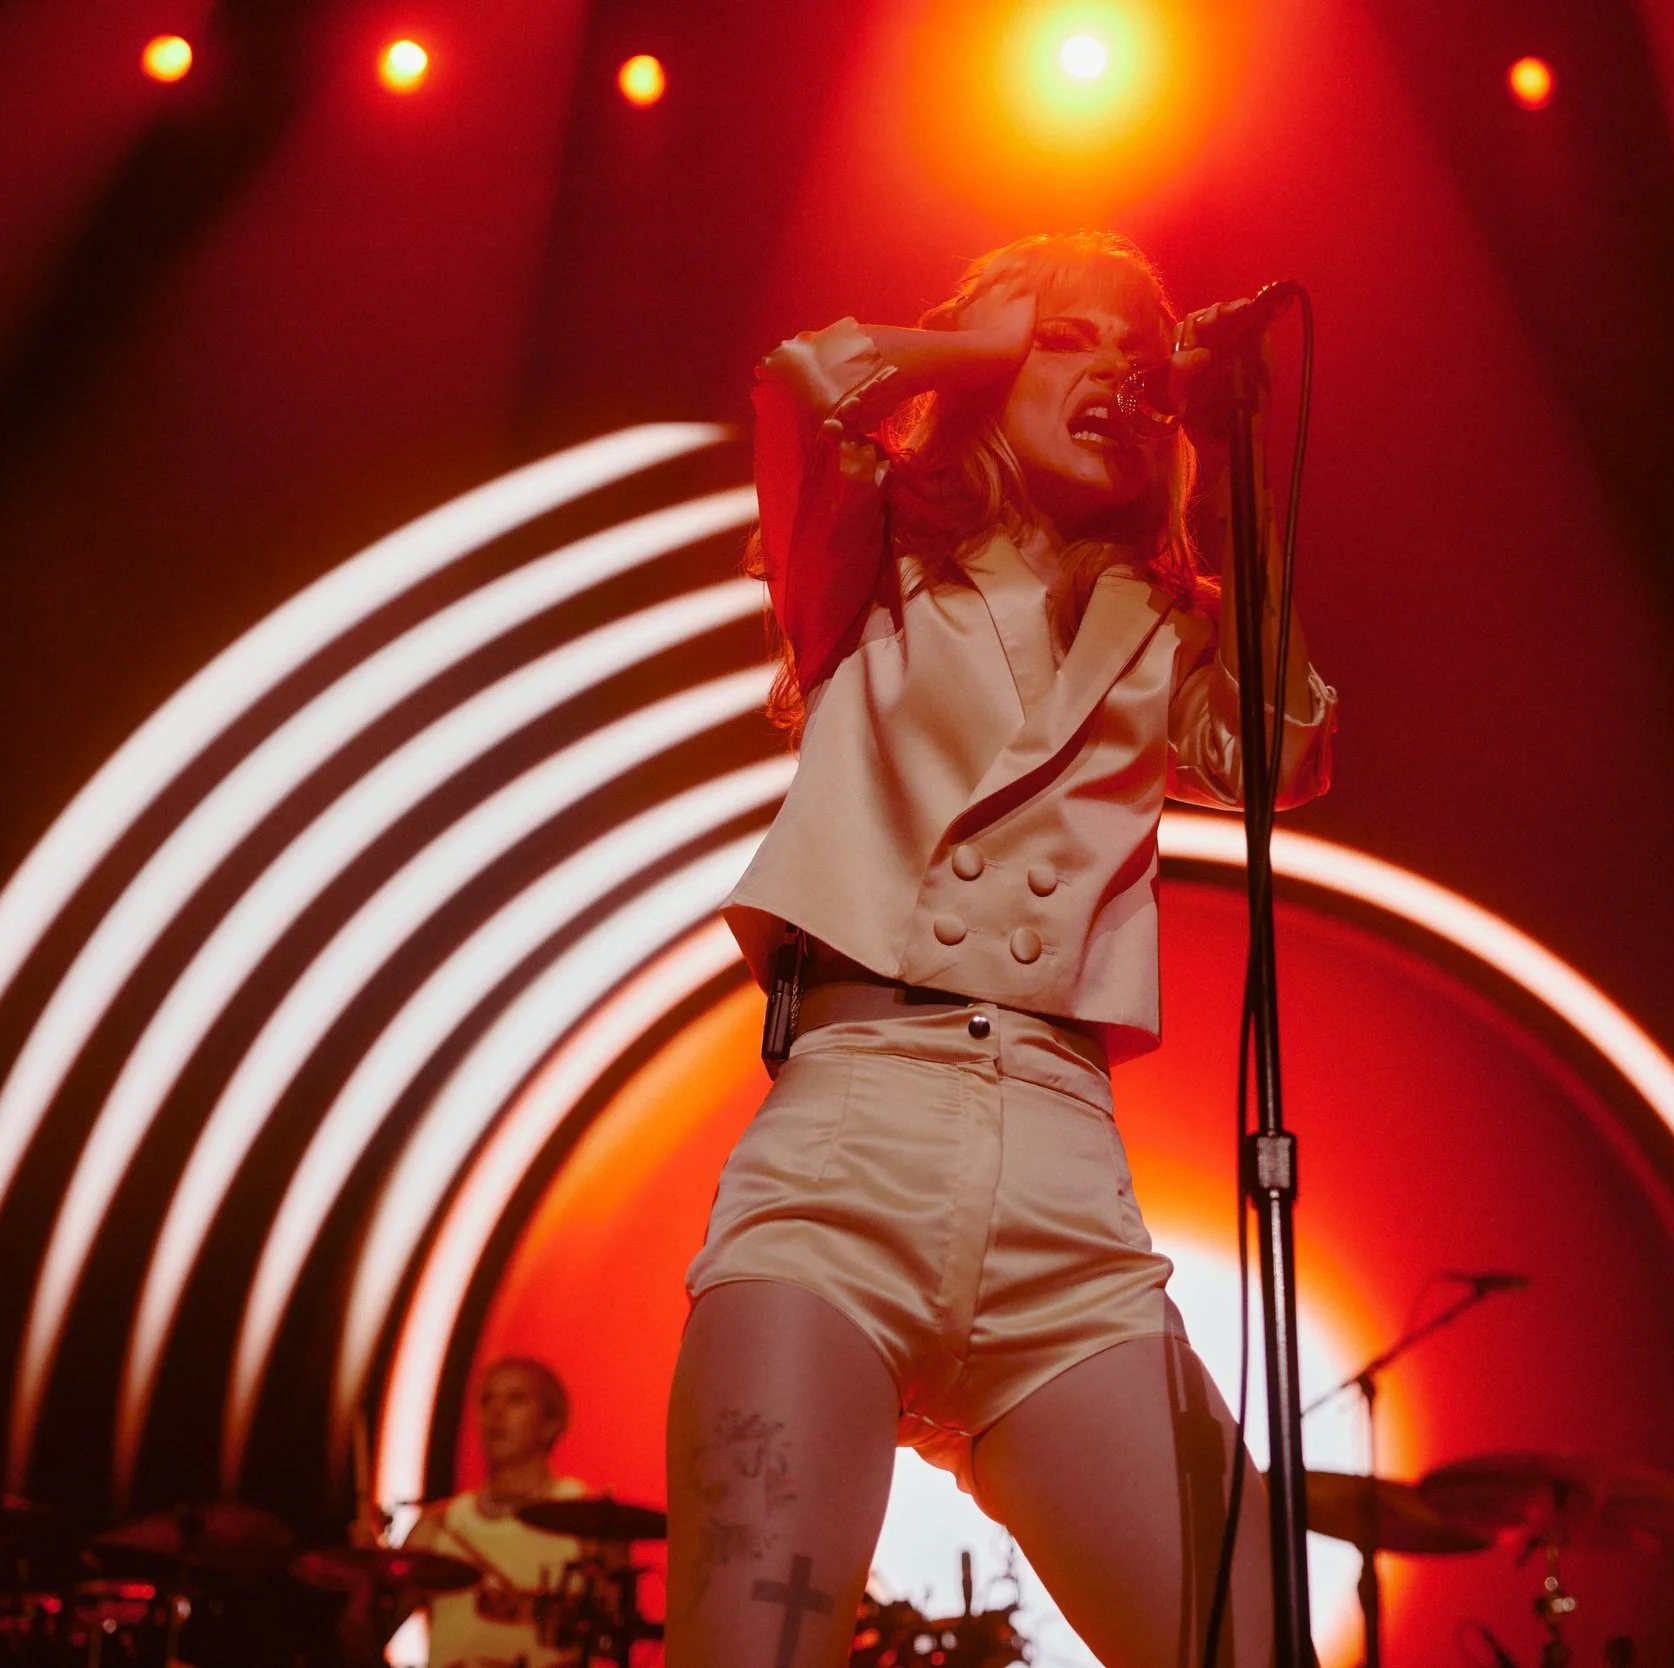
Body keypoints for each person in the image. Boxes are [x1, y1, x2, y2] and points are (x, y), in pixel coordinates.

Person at [664, 230, 1337, 1668]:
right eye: (1066, 341)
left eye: (1138, 362)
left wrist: (1238, 485)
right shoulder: (872, 552)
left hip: (1065, 1195)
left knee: (1254, 1649)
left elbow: (1282, 758)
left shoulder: (1172, 623)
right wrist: (985, 344)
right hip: (847, 1156)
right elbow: (804, 380)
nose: (1114, 377)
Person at [381, 1357, 594, 1668]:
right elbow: (367, 1639)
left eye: (515, 1399)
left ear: (552, 1422)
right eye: (486, 1400)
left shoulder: (588, 1520)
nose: (496, 1411)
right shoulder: (439, 1525)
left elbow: (614, 1637)